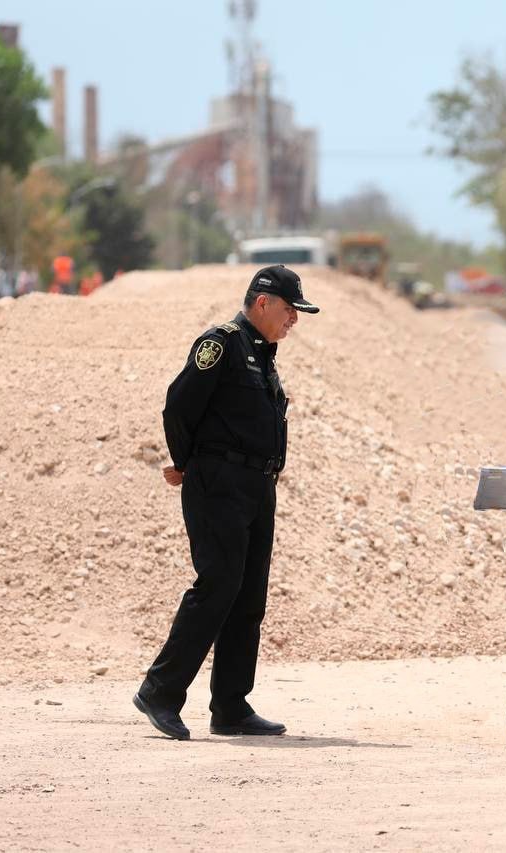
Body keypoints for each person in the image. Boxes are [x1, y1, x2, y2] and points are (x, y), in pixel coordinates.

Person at [133, 265, 320, 741]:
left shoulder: (262, 353)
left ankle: (231, 706)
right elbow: (179, 404)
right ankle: (160, 691)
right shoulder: (221, 344)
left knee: (248, 594)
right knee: (218, 584)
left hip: (256, 486)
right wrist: (186, 461)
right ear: (262, 302)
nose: (294, 320)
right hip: (219, 482)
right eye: (289, 309)